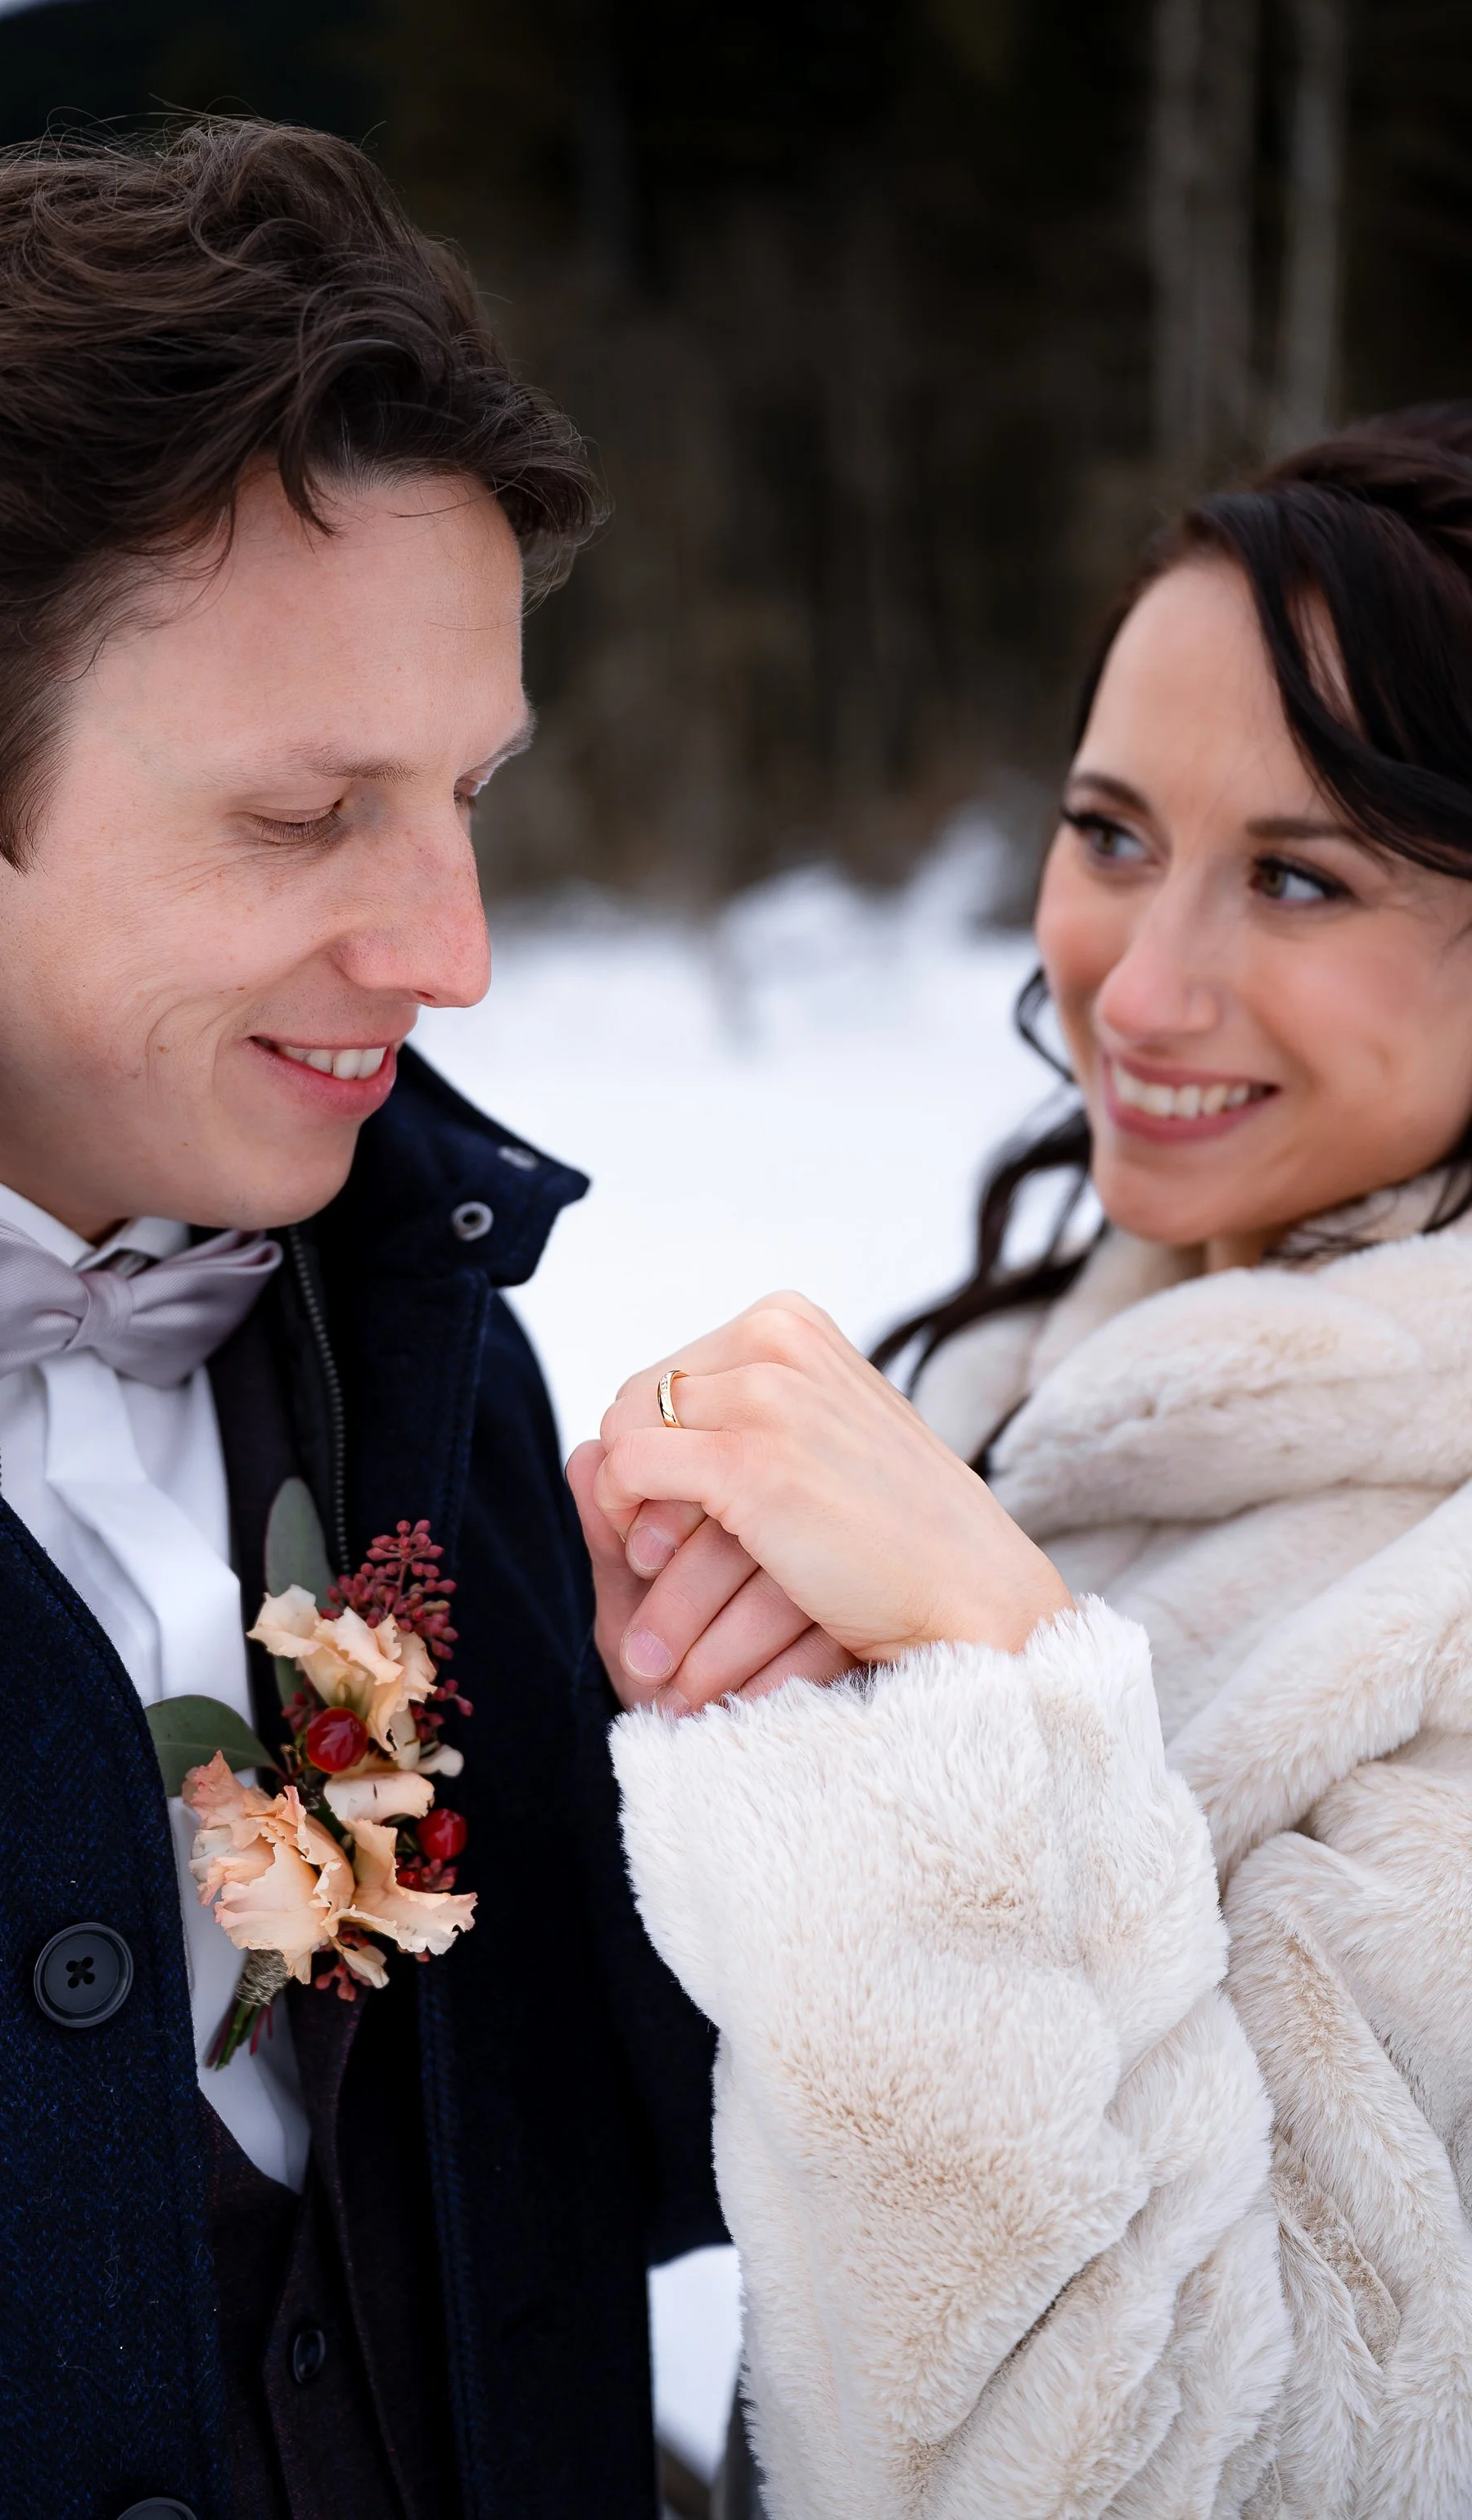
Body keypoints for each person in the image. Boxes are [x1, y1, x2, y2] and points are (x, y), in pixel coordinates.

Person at [0, 123, 723, 2518]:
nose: (452, 947)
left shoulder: (441, 1340)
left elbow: (607, 2172)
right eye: (310, 817)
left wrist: (803, 1791)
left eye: (472, 795)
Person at [575, 411, 1472, 2516]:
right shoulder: (1044, 1375)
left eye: (1298, 874)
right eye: (1109, 832)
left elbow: (1240, 2479)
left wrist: (990, 1694)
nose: (1137, 988)